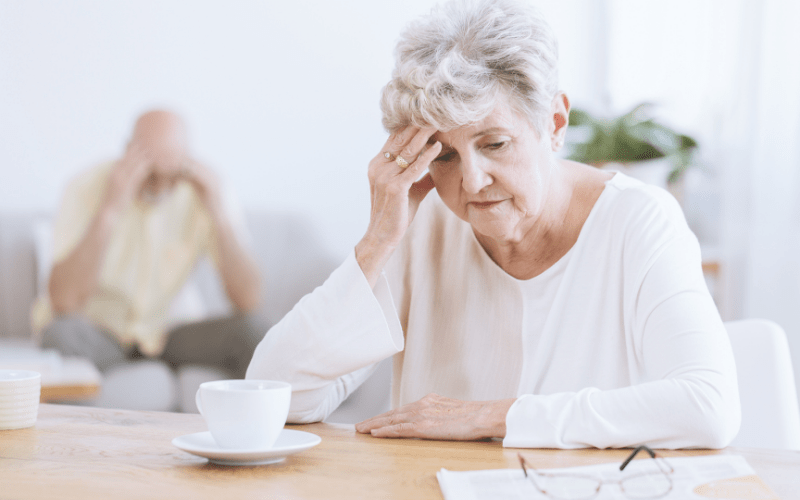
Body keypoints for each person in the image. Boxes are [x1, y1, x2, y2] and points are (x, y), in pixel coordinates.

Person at [246, 0, 740, 449]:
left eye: (495, 144)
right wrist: (377, 240)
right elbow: (278, 397)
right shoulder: (423, 226)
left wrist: (494, 417)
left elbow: (708, 407)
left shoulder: (639, 220)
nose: (473, 181)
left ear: (554, 124)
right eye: (444, 155)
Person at [33, 110, 265, 387]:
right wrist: (110, 209)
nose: (162, 187)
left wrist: (218, 212)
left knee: (254, 331)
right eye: (152, 173)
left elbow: (249, 300)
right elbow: (64, 302)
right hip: (100, 334)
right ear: (129, 152)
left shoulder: (203, 192)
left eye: (173, 174)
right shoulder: (86, 187)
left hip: (165, 337)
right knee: (61, 335)